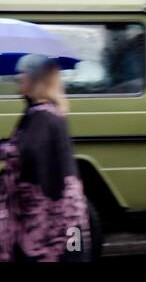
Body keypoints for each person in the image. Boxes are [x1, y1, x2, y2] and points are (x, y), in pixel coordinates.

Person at [0, 54, 91, 262]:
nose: (18, 78)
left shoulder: (43, 116)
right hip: (61, 211)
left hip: (47, 216)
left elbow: (20, 152)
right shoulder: (44, 112)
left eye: (22, 73)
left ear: (35, 78)